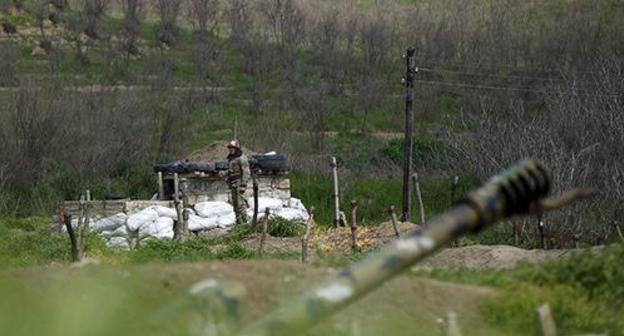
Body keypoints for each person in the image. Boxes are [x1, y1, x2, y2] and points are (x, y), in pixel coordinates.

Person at [226, 139, 250, 225]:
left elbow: (246, 172)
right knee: (235, 205)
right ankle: (239, 222)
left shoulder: (242, 158)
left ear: (237, 148)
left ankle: (246, 222)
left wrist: (243, 184)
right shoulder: (231, 159)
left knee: (240, 204)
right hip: (233, 183)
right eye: (230, 148)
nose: (231, 149)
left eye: (233, 148)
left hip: (239, 182)